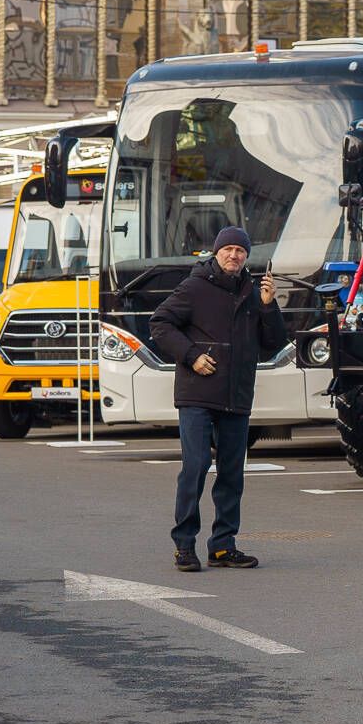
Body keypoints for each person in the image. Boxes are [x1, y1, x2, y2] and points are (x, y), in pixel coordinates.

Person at [150, 226, 283, 573]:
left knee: (231, 475)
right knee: (194, 468)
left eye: (240, 251)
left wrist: (269, 308)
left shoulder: (255, 293)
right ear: (216, 252)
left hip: (236, 397)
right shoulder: (195, 287)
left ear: (246, 256)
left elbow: (272, 344)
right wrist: (191, 355)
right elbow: (161, 323)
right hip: (197, 394)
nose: (234, 256)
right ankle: (184, 546)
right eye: (228, 250)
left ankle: (223, 546)